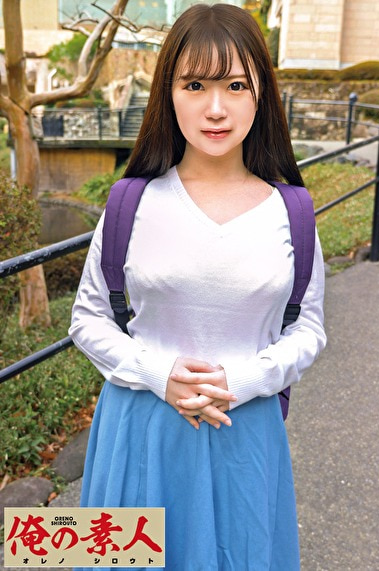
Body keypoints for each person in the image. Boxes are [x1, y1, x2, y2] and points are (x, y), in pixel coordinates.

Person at [69, 4, 326, 570]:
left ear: (261, 95)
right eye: (194, 85)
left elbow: (308, 328)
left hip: (246, 434)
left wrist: (244, 378)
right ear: (168, 93)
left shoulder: (292, 213)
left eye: (236, 85)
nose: (215, 108)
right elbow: (87, 318)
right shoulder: (131, 202)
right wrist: (158, 373)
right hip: (139, 432)